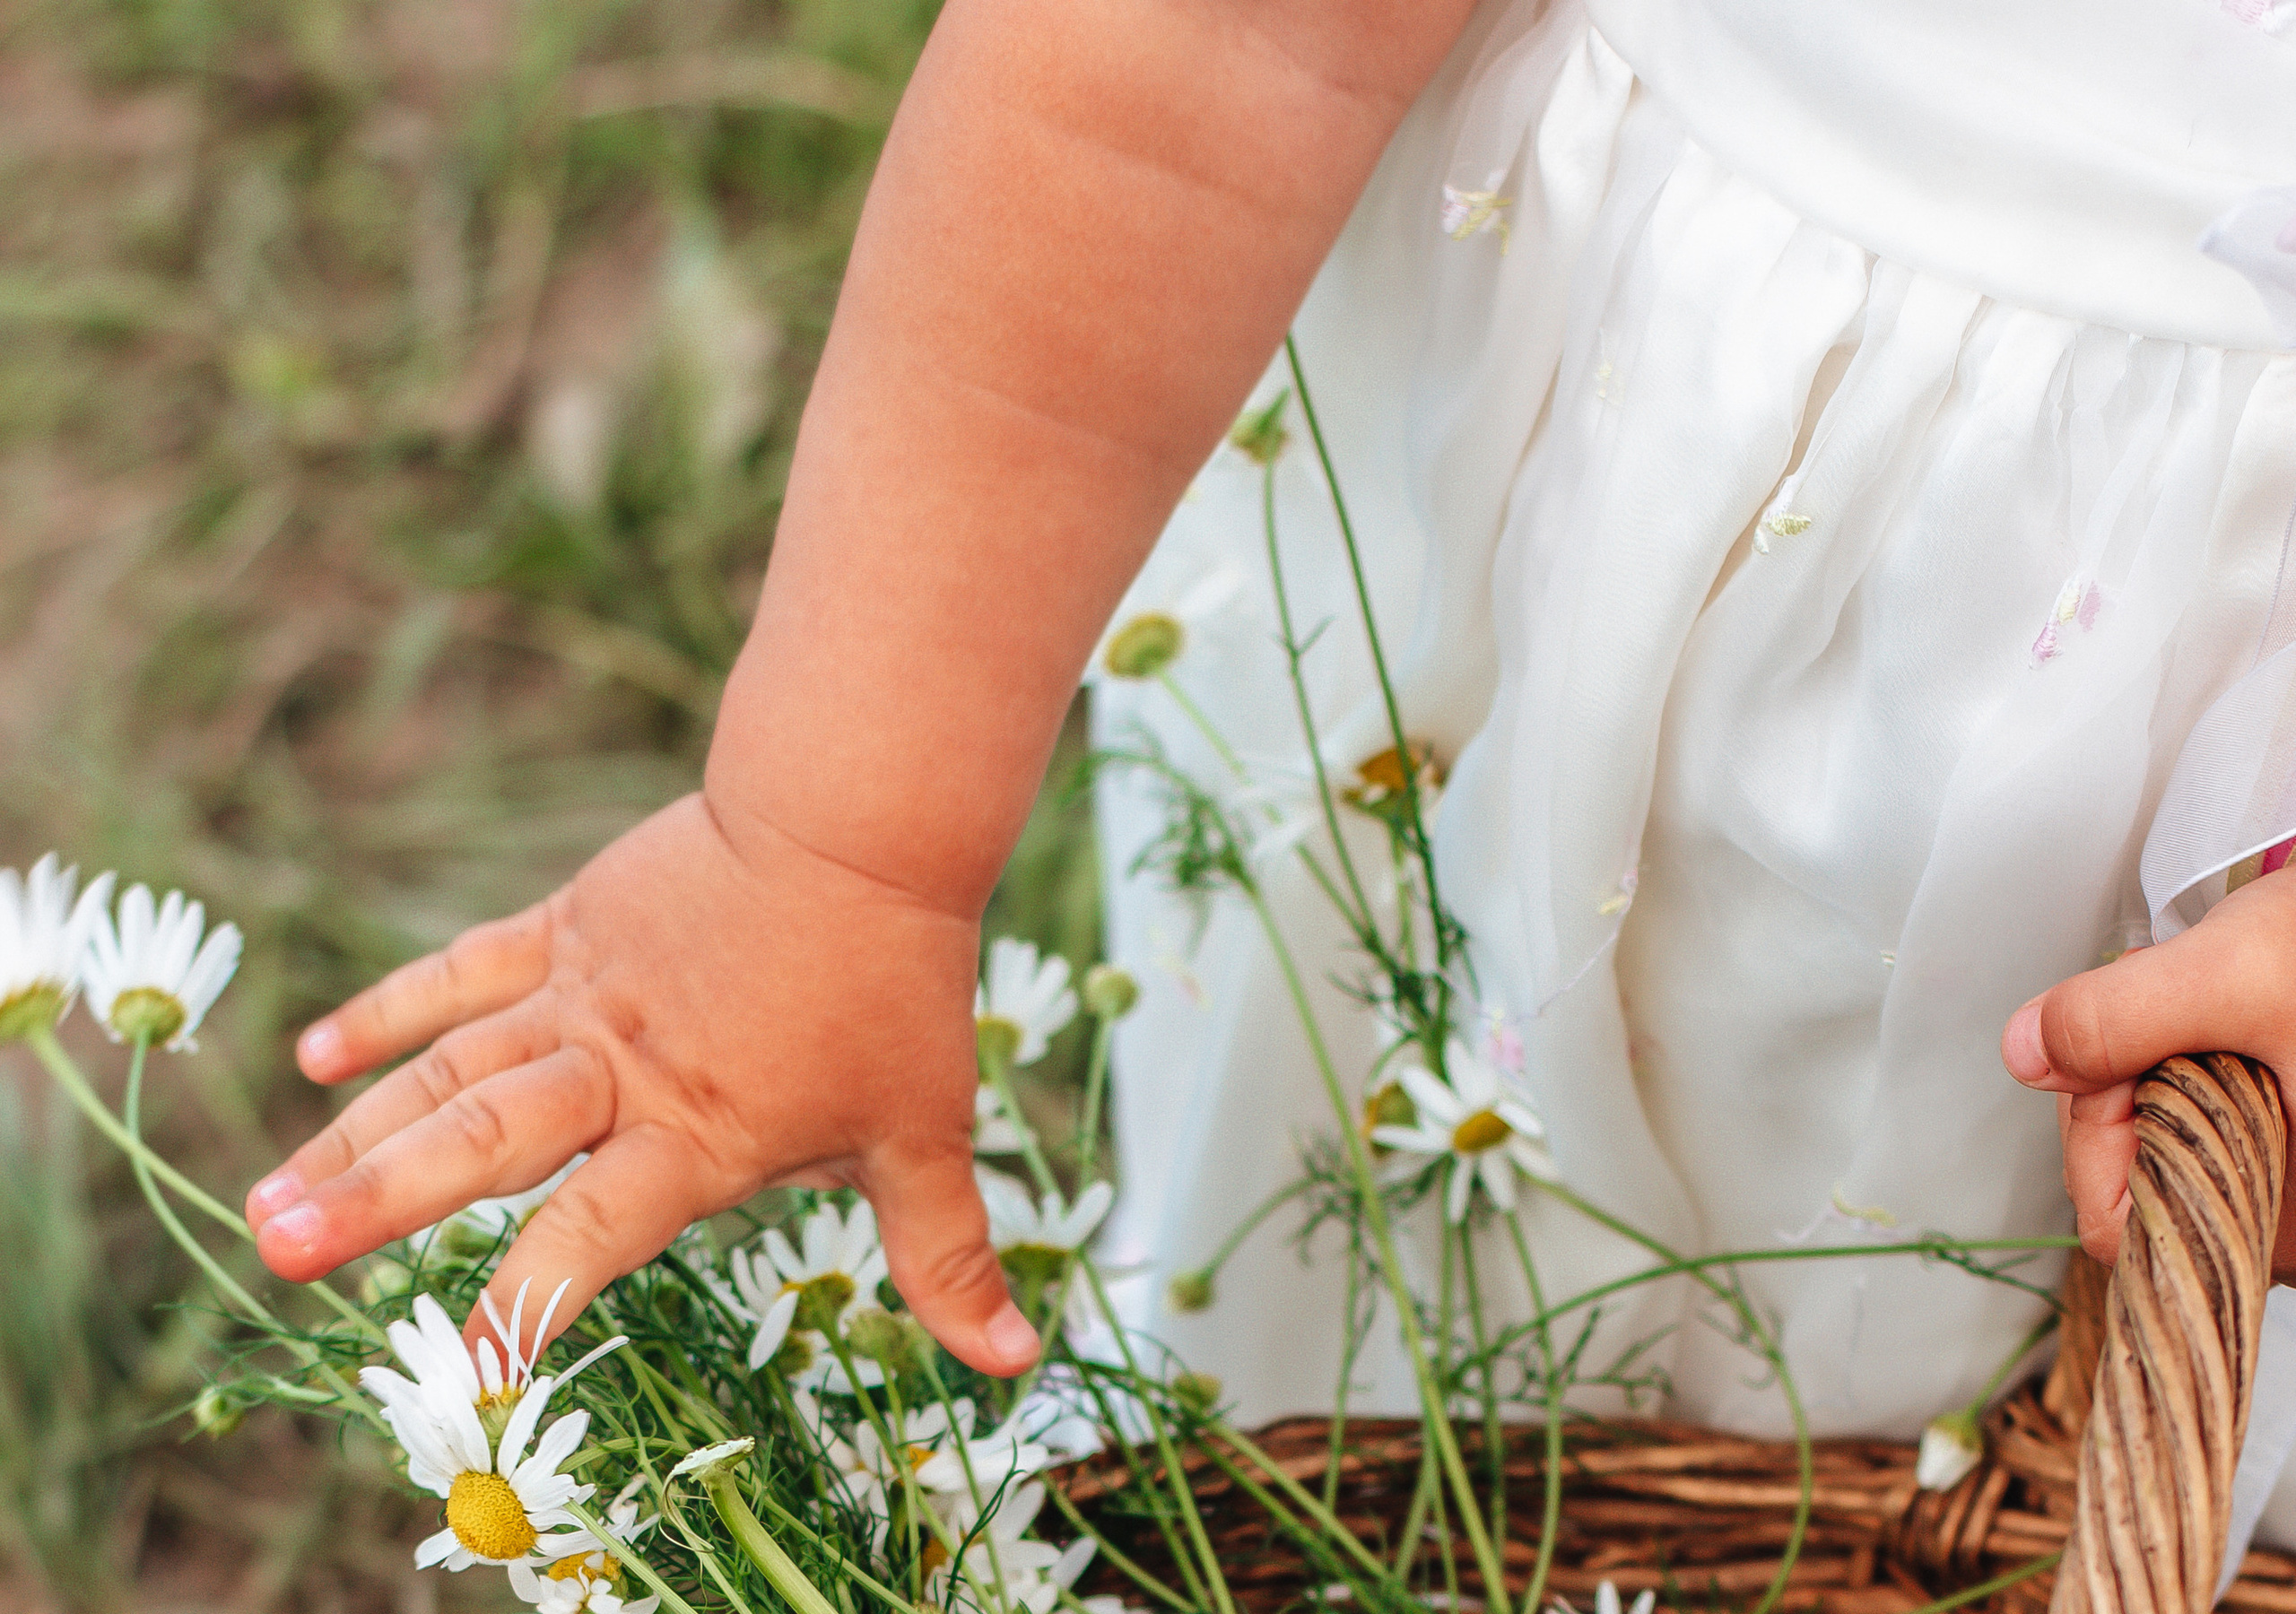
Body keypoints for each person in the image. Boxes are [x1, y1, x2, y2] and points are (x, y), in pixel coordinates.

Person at [243, 1, 2296, 1486]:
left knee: (2131, 1501)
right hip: (1604, 543)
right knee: (1415, 1312)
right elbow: (1196, 53)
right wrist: (837, 843)